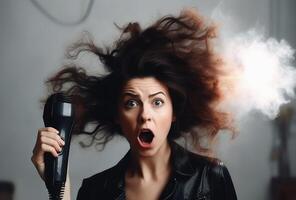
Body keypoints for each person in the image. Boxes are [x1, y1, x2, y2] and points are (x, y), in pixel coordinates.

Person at [31, 9, 237, 200]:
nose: (145, 114)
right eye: (131, 103)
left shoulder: (210, 178)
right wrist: (58, 186)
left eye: (157, 102)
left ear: (173, 112)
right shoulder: (95, 191)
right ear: (116, 115)